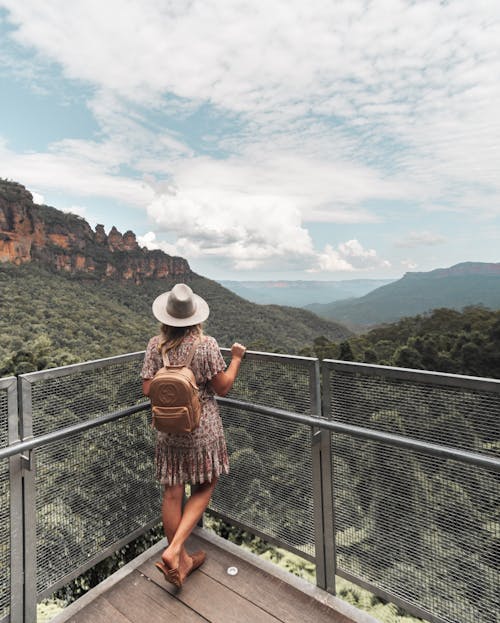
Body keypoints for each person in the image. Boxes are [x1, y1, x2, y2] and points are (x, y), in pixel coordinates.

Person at [141, 283, 246, 588]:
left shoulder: (155, 345)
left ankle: (182, 559)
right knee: (206, 484)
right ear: (195, 317)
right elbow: (223, 386)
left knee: (172, 491)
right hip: (202, 429)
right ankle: (175, 553)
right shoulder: (207, 344)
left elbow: (148, 389)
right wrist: (237, 358)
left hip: (167, 430)